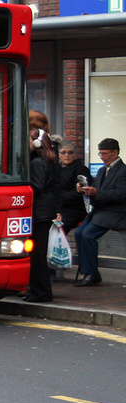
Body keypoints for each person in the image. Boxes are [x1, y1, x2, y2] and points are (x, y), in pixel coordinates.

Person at [73, 138, 126, 287]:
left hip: (115, 212)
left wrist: (97, 192)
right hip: (100, 211)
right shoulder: (103, 170)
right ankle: (88, 271)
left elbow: (121, 194)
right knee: (78, 233)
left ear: (115, 153)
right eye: (100, 153)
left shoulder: (123, 171)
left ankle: (92, 274)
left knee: (88, 234)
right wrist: (83, 190)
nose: (102, 157)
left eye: (105, 153)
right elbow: (98, 190)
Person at [23, 127, 60, 302]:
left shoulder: (37, 162)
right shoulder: (46, 161)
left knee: (37, 255)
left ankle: (41, 292)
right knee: (37, 254)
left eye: (29, 140)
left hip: (39, 213)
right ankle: (38, 291)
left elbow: (36, 186)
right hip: (44, 212)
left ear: (37, 143)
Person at [57, 141, 91, 231]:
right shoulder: (56, 169)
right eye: (63, 152)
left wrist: (59, 197)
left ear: (75, 154)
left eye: (70, 152)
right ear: (59, 155)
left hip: (74, 209)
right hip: (57, 208)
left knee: (58, 227)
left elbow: (79, 192)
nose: (67, 155)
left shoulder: (81, 170)